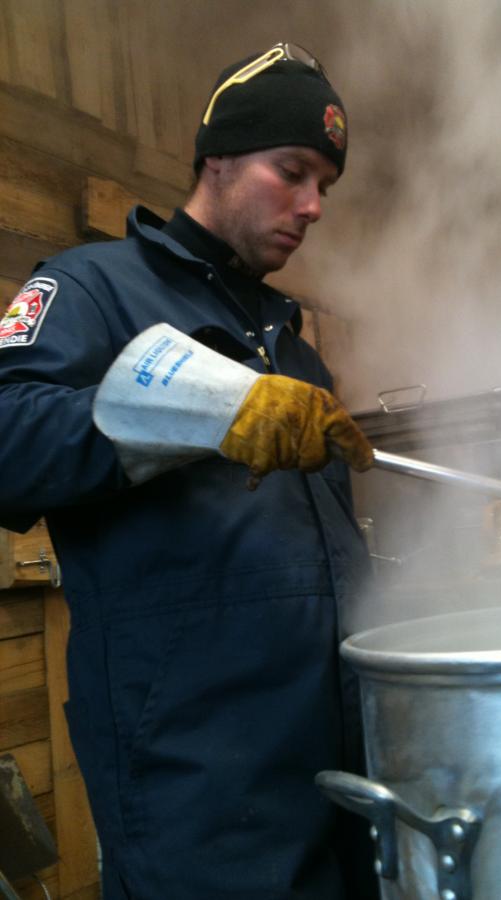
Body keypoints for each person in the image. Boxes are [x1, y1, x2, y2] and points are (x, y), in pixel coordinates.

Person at [0, 43, 378, 900]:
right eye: (293, 171)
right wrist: (213, 411)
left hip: (335, 764)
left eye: (326, 185)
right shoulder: (93, 288)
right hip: (197, 779)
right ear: (218, 156)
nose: (314, 206)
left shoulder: (288, 347)